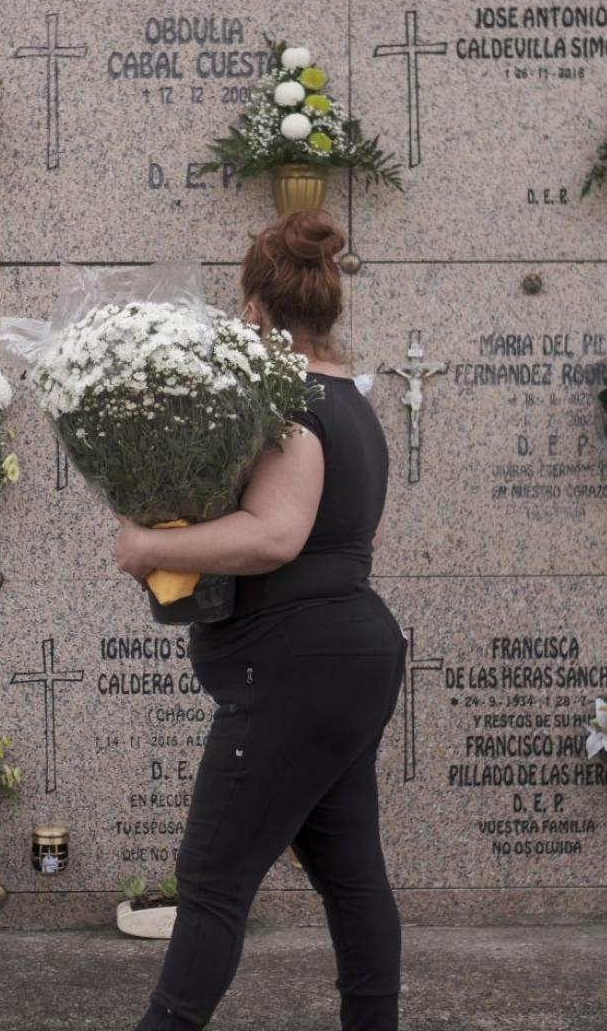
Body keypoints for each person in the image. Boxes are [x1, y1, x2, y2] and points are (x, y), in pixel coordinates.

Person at [114, 210, 408, 1031]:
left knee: (211, 885)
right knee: (352, 874)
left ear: (253, 312)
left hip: (294, 665)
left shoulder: (292, 405)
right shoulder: (351, 400)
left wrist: (149, 542)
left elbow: (277, 535)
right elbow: (356, 532)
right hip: (350, 655)